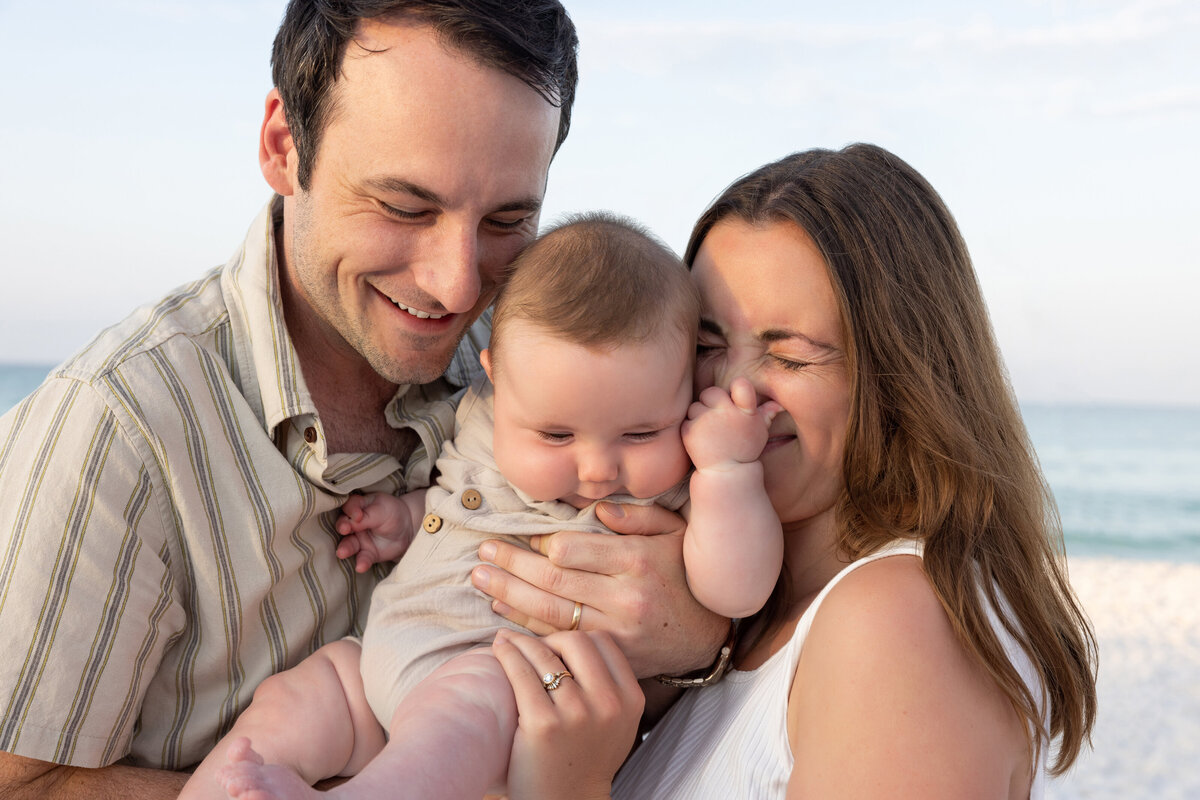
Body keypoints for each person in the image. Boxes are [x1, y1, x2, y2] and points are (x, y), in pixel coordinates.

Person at [0, 3, 726, 797]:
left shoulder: (540, 361)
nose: (457, 283)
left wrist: (695, 636)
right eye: (405, 207)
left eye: (508, 219)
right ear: (284, 147)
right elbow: (21, 783)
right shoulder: (117, 430)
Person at [482, 143, 1100, 798]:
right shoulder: (737, 627)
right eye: (706, 345)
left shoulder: (896, 622)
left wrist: (566, 787)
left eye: (792, 357)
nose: (735, 390)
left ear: (900, 377)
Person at [179, 212, 783, 799]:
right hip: (380, 661)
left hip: (508, 695)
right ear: (496, 378)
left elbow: (737, 590)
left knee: (468, 701)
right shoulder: (481, 418)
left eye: (640, 433)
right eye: (556, 436)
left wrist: (731, 472)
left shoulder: (683, 480)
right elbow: (461, 499)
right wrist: (408, 520)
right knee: (291, 702)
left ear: (686, 391)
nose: (598, 468)